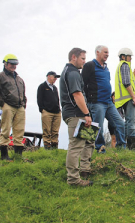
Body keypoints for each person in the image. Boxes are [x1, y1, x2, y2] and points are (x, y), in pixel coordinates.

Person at [59, 47, 93, 187]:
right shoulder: (72, 73)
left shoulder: (70, 72)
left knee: (88, 141)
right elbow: (77, 95)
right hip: (76, 114)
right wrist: (86, 114)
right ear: (74, 57)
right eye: (83, 58)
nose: (84, 62)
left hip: (76, 113)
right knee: (76, 145)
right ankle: (73, 180)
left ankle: (85, 171)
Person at [82, 45, 126, 153]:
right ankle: (100, 148)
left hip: (109, 102)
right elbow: (82, 84)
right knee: (98, 127)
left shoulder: (106, 68)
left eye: (108, 52)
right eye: (105, 52)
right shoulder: (89, 66)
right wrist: (88, 100)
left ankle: (121, 148)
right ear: (97, 52)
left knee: (120, 123)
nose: (107, 54)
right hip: (96, 102)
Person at [0, 54, 27, 159]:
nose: (14, 66)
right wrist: (2, 104)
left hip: (20, 107)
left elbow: (23, 93)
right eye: (11, 63)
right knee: (5, 129)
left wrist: (24, 103)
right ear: (5, 63)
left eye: (15, 64)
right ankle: (4, 155)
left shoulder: (20, 79)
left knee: (19, 130)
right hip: (7, 106)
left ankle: (18, 156)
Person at [115, 48, 135, 149]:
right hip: (129, 99)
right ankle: (132, 148)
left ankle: (124, 146)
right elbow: (126, 82)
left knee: (127, 122)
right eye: (129, 56)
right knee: (132, 122)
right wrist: (134, 97)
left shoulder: (123, 67)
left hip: (124, 99)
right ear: (123, 57)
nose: (130, 58)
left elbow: (127, 80)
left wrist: (134, 76)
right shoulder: (125, 65)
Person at [37, 71, 61, 150]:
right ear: (49, 76)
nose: (55, 79)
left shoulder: (55, 88)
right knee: (46, 130)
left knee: (55, 130)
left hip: (57, 112)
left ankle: (54, 146)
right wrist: (42, 110)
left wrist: (59, 109)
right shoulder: (42, 86)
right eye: (54, 77)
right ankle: (47, 145)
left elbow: (57, 99)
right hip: (47, 111)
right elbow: (39, 99)